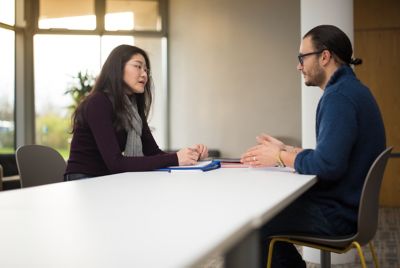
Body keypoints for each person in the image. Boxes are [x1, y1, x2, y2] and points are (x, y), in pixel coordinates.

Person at [241, 25, 386, 267]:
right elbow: (332, 156)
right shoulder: (354, 91)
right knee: (265, 217)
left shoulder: (338, 97)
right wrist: (288, 151)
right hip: (353, 209)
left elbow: (328, 165)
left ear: (325, 56)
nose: (299, 66)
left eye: (302, 57)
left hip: (338, 216)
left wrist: (279, 156)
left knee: (253, 222)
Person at [65, 45, 208, 181]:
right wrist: (176, 158)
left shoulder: (132, 108)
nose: (144, 74)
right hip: (84, 180)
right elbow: (116, 163)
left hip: (107, 180)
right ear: (117, 68)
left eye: (146, 70)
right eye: (138, 66)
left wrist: (190, 155)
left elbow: (154, 153)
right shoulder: (98, 102)